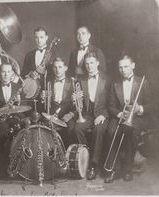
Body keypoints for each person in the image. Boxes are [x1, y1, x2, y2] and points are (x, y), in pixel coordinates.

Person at [104, 54, 151, 183]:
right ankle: (112, 169)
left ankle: (127, 169)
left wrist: (139, 108)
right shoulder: (115, 84)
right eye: (120, 67)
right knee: (111, 132)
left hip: (136, 118)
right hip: (120, 116)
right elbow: (111, 106)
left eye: (126, 66)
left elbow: (151, 105)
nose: (123, 70)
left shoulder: (142, 82)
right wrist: (120, 114)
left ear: (133, 66)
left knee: (130, 132)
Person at [71, 52, 110, 180]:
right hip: (87, 115)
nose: (89, 66)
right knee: (77, 128)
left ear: (97, 63)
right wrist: (75, 101)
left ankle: (93, 164)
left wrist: (103, 115)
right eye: (87, 64)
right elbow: (78, 102)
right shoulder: (80, 80)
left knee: (98, 130)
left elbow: (112, 102)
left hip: (102, 114)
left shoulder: (107, 79)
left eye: (92, 63)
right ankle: (85, 157)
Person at [0, 63, 24, 179]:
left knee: (23, 131)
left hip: (14, 117)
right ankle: (2, 170)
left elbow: (23, 106)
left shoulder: (17, 86)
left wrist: (19, 103)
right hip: (0, 118)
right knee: (2, 134)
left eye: (8, 72)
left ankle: (20, 168)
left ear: (12, 73)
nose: (6, 74)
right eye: (3, 72)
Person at [40, 57, 75, 148]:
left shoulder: (73, 82)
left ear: (65, 68)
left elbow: (79, 103)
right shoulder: (48, 83)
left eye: (60, 67)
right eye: (55, 67)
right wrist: (43, 98)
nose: (57, 70)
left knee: (71, 129)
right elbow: (45, 105)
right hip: (52, 113)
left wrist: (71, 114)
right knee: (43, 126)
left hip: (67, 115)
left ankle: (66, 153)